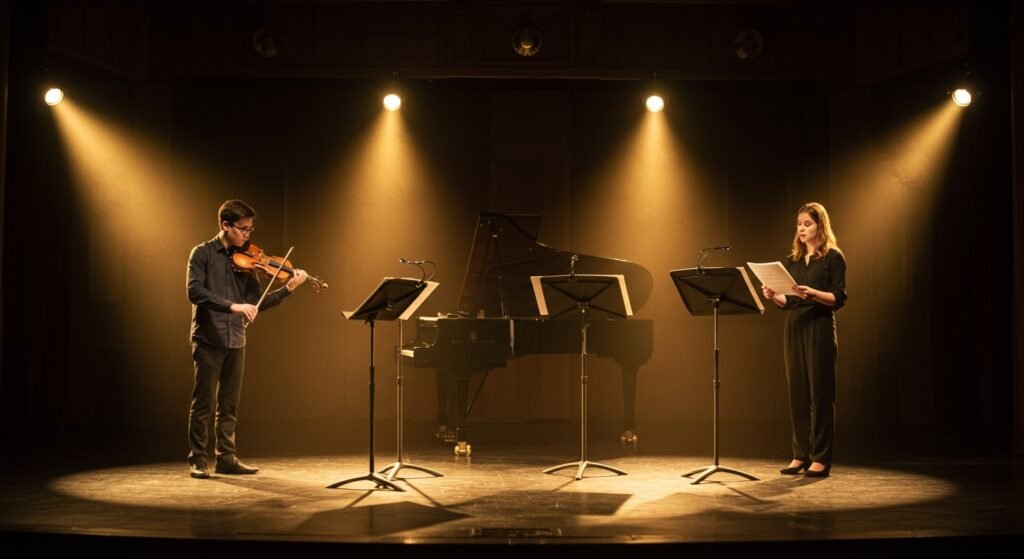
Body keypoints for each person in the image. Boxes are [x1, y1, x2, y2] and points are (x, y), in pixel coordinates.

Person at [185, 199, 308, 479]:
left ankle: (226, 458)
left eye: (250, 230)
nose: (247, 236)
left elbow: (255, 301)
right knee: (204, 402)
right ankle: (198, 459)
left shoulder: (247, 260)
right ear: (225, 225)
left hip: (236, 338)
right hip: (208, 337)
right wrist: (233, 306)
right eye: (243, 229)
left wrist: (288, 288)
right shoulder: (202, 254)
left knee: (229, 404)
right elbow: (195, 292)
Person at [761, 202, 847, 478]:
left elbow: (838, 298)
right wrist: (773, 295)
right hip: (794, 326)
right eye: (799, 224)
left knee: (820, 393)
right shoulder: (793, 261)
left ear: (820, 226)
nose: (801, 228)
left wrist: (812, 294)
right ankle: (800, 455)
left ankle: (821, 457)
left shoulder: (833, 257)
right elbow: (788, 301)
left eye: (807, 224)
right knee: (797, 392)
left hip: (819, 325)